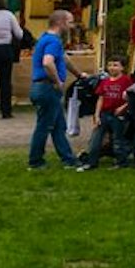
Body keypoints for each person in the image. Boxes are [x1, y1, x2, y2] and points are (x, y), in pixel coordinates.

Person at [28, 10, 88, 171]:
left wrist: (79, 74)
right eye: (69, 22)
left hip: (42, 87)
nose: (71, 26)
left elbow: (64, 59)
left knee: (57, 126)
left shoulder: (46, 39)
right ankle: (35, 161)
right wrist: (57, 81)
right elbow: (48, 62)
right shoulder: (53, 41)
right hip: (47, 87)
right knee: (44, 126)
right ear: (60, 23)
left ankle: (68, 159)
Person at [85, 57, 135, 167]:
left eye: (115, 65)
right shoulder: (104, 81)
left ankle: (121, 162)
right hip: (104, 114)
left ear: (122, 68)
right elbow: (100, 98)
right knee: (96, 138)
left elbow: (132, 97)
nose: (112, 68)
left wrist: (123, 107)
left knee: (118, 139)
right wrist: (97, 115)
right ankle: (91, 162)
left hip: (118, 115)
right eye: (110, 65)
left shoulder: (126, 81)